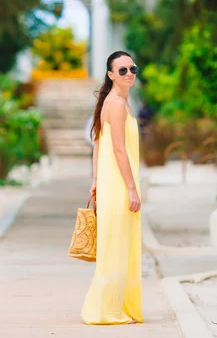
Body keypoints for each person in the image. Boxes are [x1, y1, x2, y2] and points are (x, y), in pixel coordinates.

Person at [81, 50, 143, 325]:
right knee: (116, 248)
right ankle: (106, 310)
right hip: (118, 185)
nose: (129, 74)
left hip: (111, 182)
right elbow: (118, 150)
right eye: (122, 70)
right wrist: (131, 188)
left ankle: (115, 306)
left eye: (132, 69)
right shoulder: (116, 104)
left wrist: (95, 180)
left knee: (118, 246)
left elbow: (97, 141)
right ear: (110, 75)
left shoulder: (116, 101)